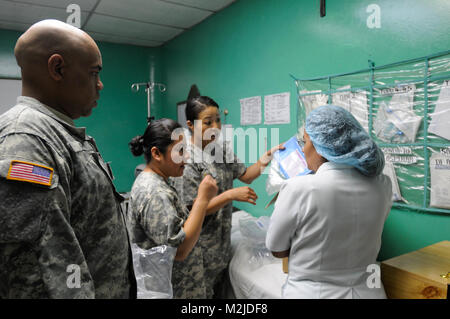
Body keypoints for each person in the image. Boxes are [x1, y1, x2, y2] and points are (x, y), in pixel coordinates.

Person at [0, 20, 135, 298]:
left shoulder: (58, 132)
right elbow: (42, 275)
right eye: (93, 72)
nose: (100, 84)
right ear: (57, 68)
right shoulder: (28, 140)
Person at [266, 104, 393, 299]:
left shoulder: (299, 188)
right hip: (369, 291)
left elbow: (277, 249)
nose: (303, 148)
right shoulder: (383, 184)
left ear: (321, 148)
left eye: (305, 141)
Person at [170, 96, 284, 298]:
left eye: (218, 120)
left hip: (220, 248)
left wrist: (268, 156)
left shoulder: (221, 150)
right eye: (208, 122)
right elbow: (191, 210)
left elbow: (247, 175)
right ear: (190, 125)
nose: (216, 127)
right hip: (196, 253)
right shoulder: (185, 160)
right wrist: (230, 195)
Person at [127, 118, 218, 298]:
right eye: (180, 151)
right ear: (157, 154)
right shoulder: (154, 192)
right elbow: (180, 250)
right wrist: (202, 199)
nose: (186, 157)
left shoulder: (162, 183)